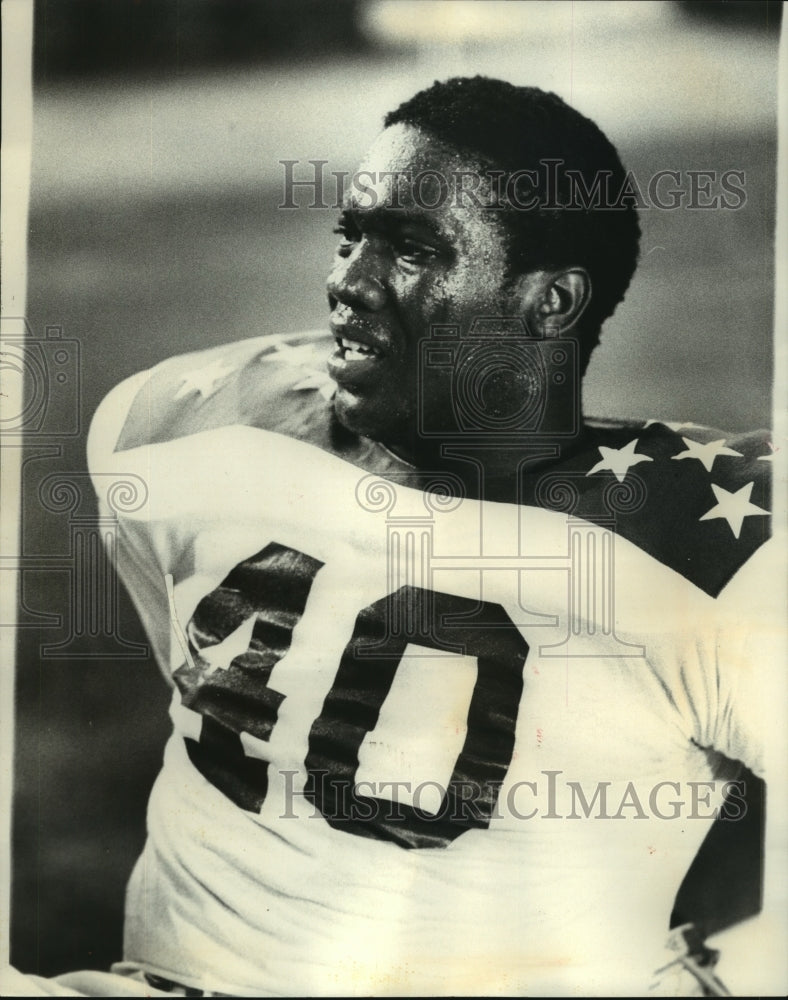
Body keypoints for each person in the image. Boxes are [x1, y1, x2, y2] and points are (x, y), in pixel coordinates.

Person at [13, 76, 776, 997]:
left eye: (412, 250)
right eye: (350, 235)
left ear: (552, 302)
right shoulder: (183, 426)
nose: (346, 280)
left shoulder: (712, 548)